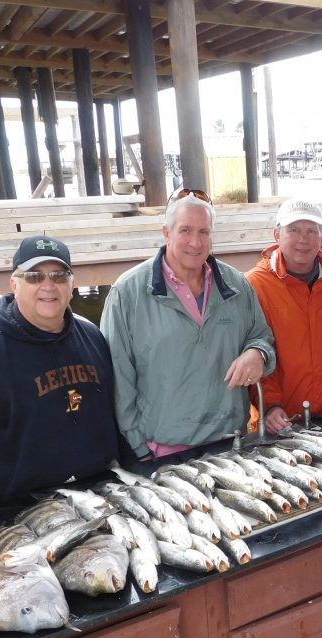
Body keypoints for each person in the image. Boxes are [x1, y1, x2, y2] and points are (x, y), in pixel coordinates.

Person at [100, 189, 276, 460]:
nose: (195, 242)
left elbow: (262, 337)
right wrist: (138, 447)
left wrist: (258, 353)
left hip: (230, 443)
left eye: (204, 232)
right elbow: (117, 378)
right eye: (185, 230)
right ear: (166, 233)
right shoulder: (127, 292)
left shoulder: (237, 285)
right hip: (161, 450)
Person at [0, 236, 119, 508]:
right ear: (14, 283)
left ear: (72, 284)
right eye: (34, 276)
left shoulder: (92, 334)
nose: (49, 286)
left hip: (99, 489)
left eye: (59, 276)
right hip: (25, 505)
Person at [245, 199, 322, 433]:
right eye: (294, 230)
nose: (304, 239)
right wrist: (269, 406)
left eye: (312, 231)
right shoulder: (255, 284)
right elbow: (253, 351)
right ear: (277, 235)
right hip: (283, 421)